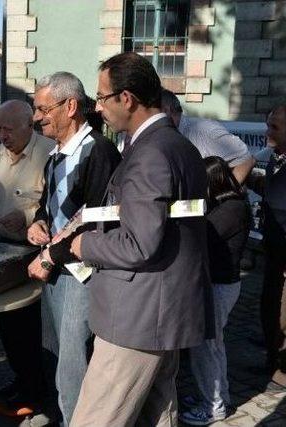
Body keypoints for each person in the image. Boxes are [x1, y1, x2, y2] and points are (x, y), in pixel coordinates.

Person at [69, 52, 211, 426]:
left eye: (101, 98)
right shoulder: (177, 145)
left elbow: (139, 243)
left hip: (137, 318)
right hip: (161, 311)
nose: (97, 108)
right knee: (159, 414)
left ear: (126, 98)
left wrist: (85, 246)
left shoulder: (150, 153)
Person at [25, 72, 121, 425]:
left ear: (71, 106)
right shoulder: (55, 154)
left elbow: (98, 221)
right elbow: (51, 207)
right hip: (56, 269)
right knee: (56, 354)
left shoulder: (98, 151)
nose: (37, 117)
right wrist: (37, 222)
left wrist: (50, 258)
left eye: (43, 108)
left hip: (82, 274)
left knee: (73, 360)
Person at [0, 99, 55, 406]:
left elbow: (55, 205)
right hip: (3, 246)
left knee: (31, 326)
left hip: (34, 250)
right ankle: (21, 378)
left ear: (29, 125)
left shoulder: (49, 152)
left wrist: (25, 216)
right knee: (8, 322)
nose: (3, 135)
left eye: (9, 129)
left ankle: (38, 387)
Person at [179, 156, 250, 425]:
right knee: (212, 347)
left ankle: (214, 406)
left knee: (207, 349)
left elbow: (200, 236)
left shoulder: (232, 209)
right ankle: (214, 397)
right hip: (217, 284)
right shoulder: (224, 205)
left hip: (220, 286)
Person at [247, 105, 286, 390]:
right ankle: (272, 357)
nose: (267, 132)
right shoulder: (275, 157)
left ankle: (282, 372)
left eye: (275, 127)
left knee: (283, 312)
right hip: (273, 249)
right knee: (269, 304)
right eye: (268, 125)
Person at [161, 89, 255, 184]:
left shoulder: (204, 131)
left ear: (166, 110)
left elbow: (246, 159)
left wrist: (224, 194)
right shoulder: (163, 136)